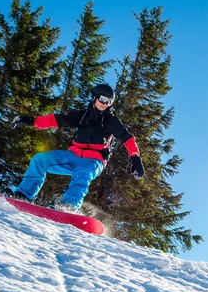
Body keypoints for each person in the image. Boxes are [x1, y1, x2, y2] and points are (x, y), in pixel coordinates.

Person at [8, 84, 144, 212]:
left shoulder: (111, 120)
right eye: (102, 99)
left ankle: (69, 206)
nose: (104, 104)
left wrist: (136, 159)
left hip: (94, 160)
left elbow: (128, 139)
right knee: (40, 160)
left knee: (82, 174)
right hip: (73, 156)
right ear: (95, 97)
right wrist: (30, 121)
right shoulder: (82, 116)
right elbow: (55, 120)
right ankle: (23, 194)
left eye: (108, 102)